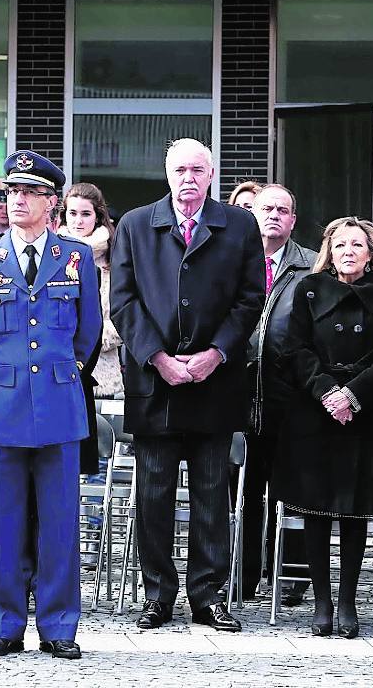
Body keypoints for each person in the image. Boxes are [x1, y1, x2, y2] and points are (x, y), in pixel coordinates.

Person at [110, 137, 265, 632]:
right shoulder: (136, 224)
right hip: (155, 384)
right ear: (167, 172)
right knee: (152, 494)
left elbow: (249, 298)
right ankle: (157, 594)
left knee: (212, 493)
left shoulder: (239, 225)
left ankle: (209, 594)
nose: (189, 179)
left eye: (198, 169)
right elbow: (123, 299)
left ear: (212, 174)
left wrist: (215, 354)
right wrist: (158, 357)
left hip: (214, 382)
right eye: (180, 169)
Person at [0, 150, 101, 661]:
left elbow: (87, 335)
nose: (16, 200)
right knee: (0, 524)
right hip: (1, 408)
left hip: (60, 407)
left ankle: (60, 626)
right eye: (12, 192)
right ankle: (2, 625)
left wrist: (56, 377)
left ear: (51, 201)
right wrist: (6, 377)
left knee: (61, 524)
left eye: (29, 192)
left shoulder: (76, 258)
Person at [274, 217, 373, 638]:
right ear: (329, 251)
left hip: (364, 414)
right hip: (314, 411)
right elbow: (295, 347)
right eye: (341, 244)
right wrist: (327, 391)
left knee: (353, 509)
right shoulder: (308, 290)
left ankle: (347, 602)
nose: (349, 251)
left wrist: (352, 394)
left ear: (371, 254)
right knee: (316, 509)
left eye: (358, 245)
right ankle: (321, 602)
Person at [242, 183, 315, 602]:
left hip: (290, 393)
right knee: (246, 489)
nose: (273, 216)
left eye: (282, 210)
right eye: (265, 208)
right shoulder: (233, 260)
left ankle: (291, 577)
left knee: (294, 487)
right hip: (241, 393)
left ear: (292, 220)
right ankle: (246, 572)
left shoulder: (309, 266)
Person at [57, 182, 122, 398]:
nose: (78, 221)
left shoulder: (115, 260)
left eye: (85, 213)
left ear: (98, 216)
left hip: (103, 371)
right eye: (72, 213)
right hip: (57, 368)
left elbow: (124, 315)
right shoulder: (51, 255)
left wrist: (89, 340)